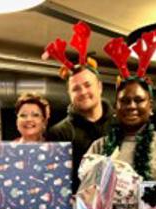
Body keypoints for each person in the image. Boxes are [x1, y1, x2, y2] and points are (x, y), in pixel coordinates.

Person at [86, 30, 156, 182]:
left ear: (150, 107)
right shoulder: (98, 147)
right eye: (124, 101)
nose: (131, 106)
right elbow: (87, 195)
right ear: (116, 108)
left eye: (139, 100)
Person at [43, 21, 113, 192]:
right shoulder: (58, 133)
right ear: (69, 94)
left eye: (87, 85)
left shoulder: (121, 125)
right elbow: (55, 182)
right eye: (75, 88)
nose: (83, 92)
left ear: (100, 87)